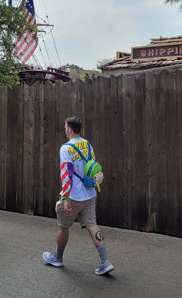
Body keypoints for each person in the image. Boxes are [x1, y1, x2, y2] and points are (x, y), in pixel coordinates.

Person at [42, 116, 114, 276]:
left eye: (65, 128)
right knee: (92, 224)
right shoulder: (88, 144)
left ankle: (58, 258)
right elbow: (93, 167)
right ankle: (105, 261)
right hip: (90, 193)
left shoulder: (65, 148)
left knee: (63, 225)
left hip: (74, 195)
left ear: (69, 129)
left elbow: (66, 174)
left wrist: (66, 198)